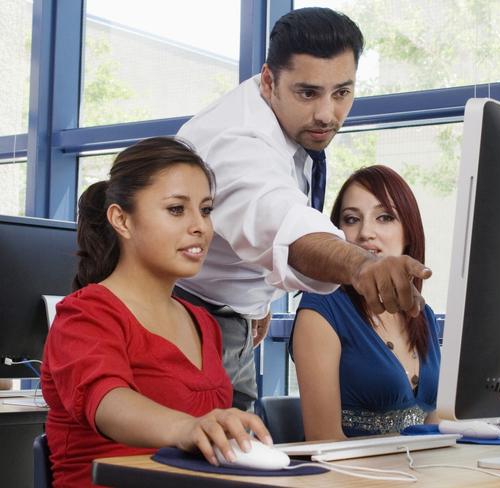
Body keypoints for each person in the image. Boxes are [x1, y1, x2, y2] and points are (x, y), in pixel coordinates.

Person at [176, 7, 431, 412]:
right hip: (185, 322)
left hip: (234, 317)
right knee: (201, 470)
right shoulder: (236, 141)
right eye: (308, 93)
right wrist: (363, 267)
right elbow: (284, 224)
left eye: (342, 93)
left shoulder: (290, 121)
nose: (327, 114)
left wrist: (258, 301)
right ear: (268, 81)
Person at [40, 137, 270, 488]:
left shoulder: (203, 322)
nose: (201, 226)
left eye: (205, 210)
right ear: (122, 220)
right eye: (177, 209)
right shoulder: (85, 315)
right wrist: (186, 427)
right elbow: (109, 401)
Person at [291, 165, 441, 440]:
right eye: (351, 220)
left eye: (384, 217)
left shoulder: (424, 316)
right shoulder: (322, 310)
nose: (365, 233)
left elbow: (435, 422)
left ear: (408, 232)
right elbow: (324, 441)